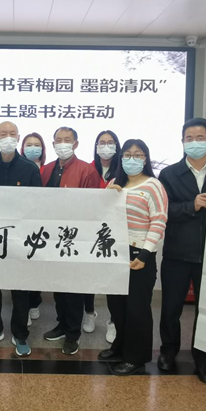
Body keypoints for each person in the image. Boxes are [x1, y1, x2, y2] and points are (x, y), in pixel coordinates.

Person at [157, 118, 206, 383]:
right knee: (171, 308)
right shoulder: (169, 174)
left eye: (199, 138)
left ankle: (203, 359)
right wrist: (191, 206)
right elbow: (163, 211)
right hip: (177, 253)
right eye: (188, 138)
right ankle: (168, 352)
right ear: (182, 142)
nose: (194, 143)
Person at [97, 139, 168, 375]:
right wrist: (105, 197)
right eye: (127, 154)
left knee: (137, 308)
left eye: (138, 155)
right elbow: (101, 217)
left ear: (145, 159)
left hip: (140, 255)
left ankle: (136, 357)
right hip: (115, 252)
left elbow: (159, 221)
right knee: (116, 306)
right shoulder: (114, 183)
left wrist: (145, 254)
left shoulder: (154, 185)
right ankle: (120, 346)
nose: (132, 159)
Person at [0, 121, 42, 357]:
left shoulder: (30, 168)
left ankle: (20, 333)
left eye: (12, 134)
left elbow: (38, 204)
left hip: (20, 237)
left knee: (20, 289)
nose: (7, 137)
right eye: (3, 134)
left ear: (18, 137)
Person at [42, 127, 102, 355]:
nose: (62, 144)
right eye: (58, 140)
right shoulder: (47, 169)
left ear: (75, 144)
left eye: (67, 140)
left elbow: (94, 207)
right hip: (51, 237)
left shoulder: (87, 170)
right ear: (53, 144)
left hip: (75, 239)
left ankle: (73, 334)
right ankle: (62, 324)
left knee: (73, 288)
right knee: (57, 285)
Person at [90, 130, 122, 342]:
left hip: (114, 233)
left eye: (110, 142)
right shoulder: (88, 169)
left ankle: (113, 321)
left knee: (112, 279)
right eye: (102, 142)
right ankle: (88, 312)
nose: (106, 146)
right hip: (89, 231)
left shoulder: (124, 171)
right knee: (88, 275)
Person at [20, 132, 47, 323]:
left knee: (36, 265)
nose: (32, 148)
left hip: (42, 224)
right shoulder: (20, 167)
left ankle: (34, 303)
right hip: (21, 222)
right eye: (28, 145)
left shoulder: (49, 169)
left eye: (36, 145)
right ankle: (23, 307)